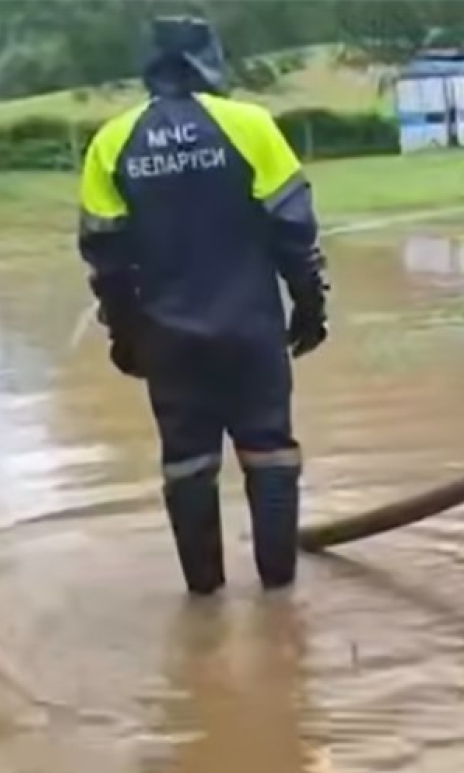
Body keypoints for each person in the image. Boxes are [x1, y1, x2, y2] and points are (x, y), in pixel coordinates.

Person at [77, 16, 329, 595]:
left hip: (168, 339)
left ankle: (204, 598)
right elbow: (295, 231)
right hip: (252, 329)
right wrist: (311, 307)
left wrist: (125, 334)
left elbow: (105, 258)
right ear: (210, 59)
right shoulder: (251, 126)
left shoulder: (112, 141)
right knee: (270, 451)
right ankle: (279, 600)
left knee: (187, 461)